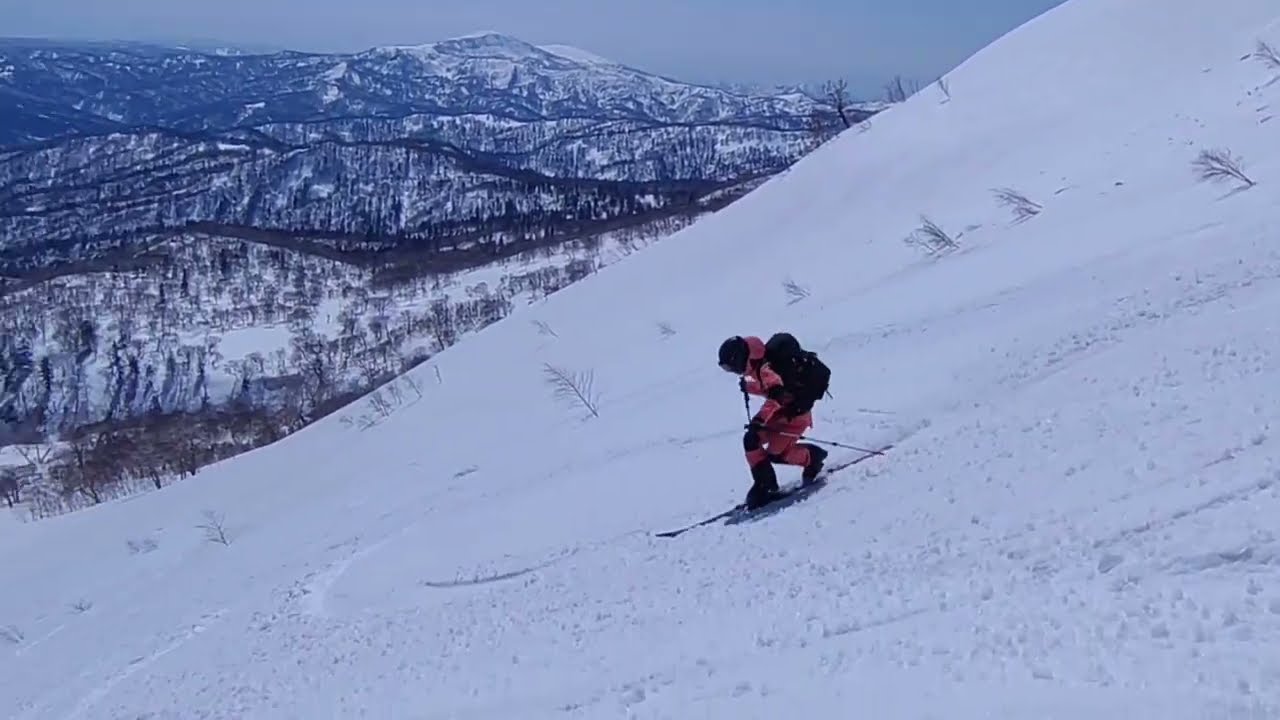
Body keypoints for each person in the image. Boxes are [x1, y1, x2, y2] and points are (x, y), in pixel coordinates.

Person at [717, 333, 829, 510]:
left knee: (776, 454)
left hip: (794, 417)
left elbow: (777, 396)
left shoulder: (764, 367)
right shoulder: (758, 365)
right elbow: (771, 389)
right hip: (780, 414)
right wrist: (750, 388)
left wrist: (759, 420)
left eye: (732, 368)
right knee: (752, 440)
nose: (735, 372)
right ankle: (765, 486)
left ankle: (812, 458)